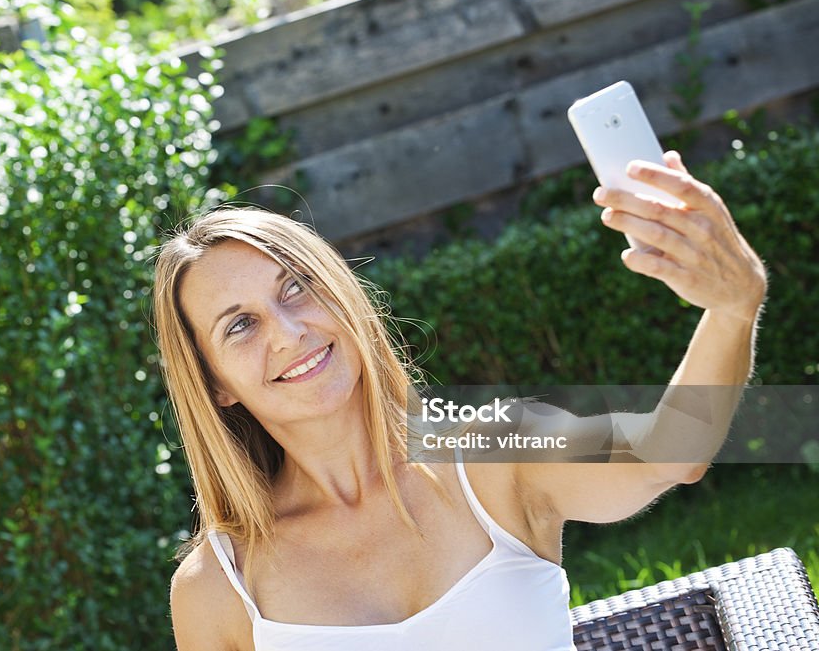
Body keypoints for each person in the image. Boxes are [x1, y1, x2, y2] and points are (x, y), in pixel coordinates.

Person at [157, 151, 767, 650]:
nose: (288, 333)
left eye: (296, 288)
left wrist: (732, 307)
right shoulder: (217, 589)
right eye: (240, 325)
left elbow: (669, 452)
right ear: (214, 384)